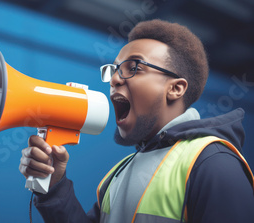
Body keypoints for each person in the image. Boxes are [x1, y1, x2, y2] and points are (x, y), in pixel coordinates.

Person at [19, 19, 254, 223]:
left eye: (133, 67)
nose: (113, 79)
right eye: (114, 69)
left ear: (176, 89)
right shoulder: (118, 173)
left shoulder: (212, 164)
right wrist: (54, 185)